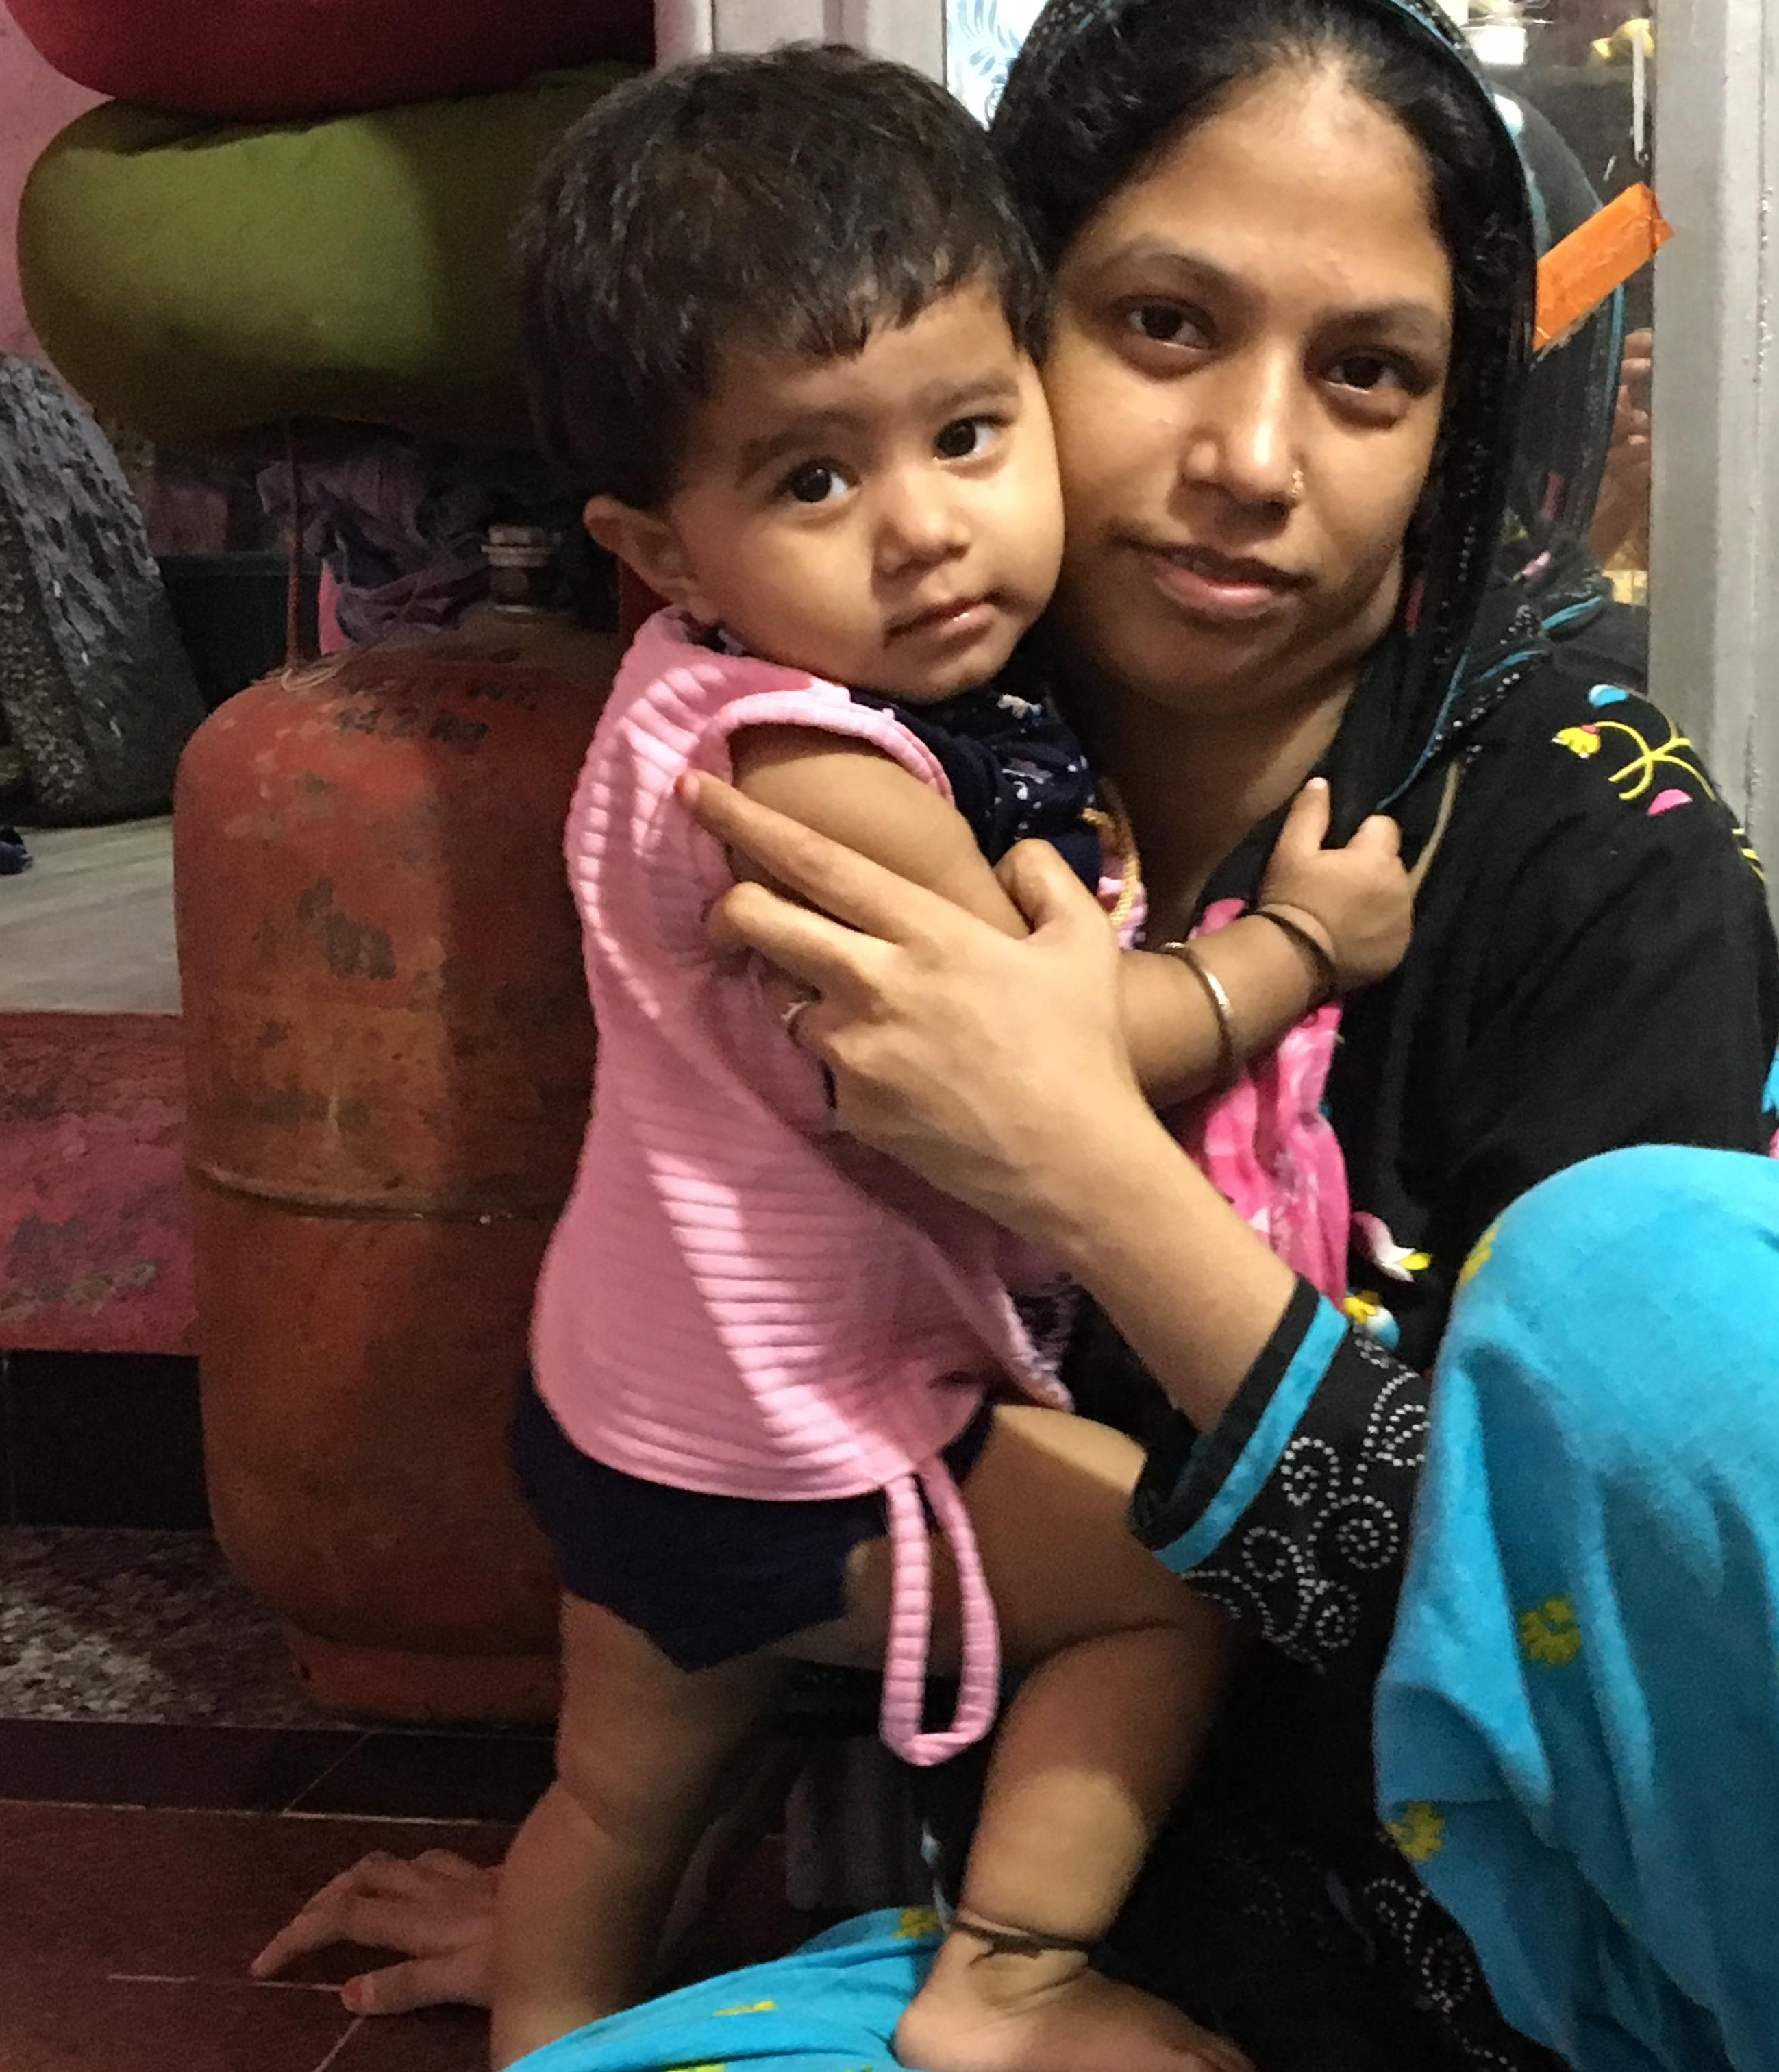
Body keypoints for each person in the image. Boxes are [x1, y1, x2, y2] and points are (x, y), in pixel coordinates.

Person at [260, 4, 1779, 2064]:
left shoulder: (1595, 854)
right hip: (1137, 1964)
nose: (1251, 461)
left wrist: (1082, 1161)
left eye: (1369, 374)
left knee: (1661, 1290)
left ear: (1460, 425)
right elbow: (790, 1366)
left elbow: (1599, 1640)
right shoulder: (845, 767)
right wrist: (591, 1882)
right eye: (1160, 324)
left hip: (1631, 1951)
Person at [482, 45, 1419, 2072]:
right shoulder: (821, 774)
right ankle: (1012, 1978)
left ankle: (544, 2036)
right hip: (778, 1437)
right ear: (659, 546)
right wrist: (1293, 955)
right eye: (817, 478)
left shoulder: (687, 696)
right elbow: (1067, 1068)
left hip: (625, 1402)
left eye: (970, 433)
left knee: (616, 1809)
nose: (926, 532)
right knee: (1170, 1577)